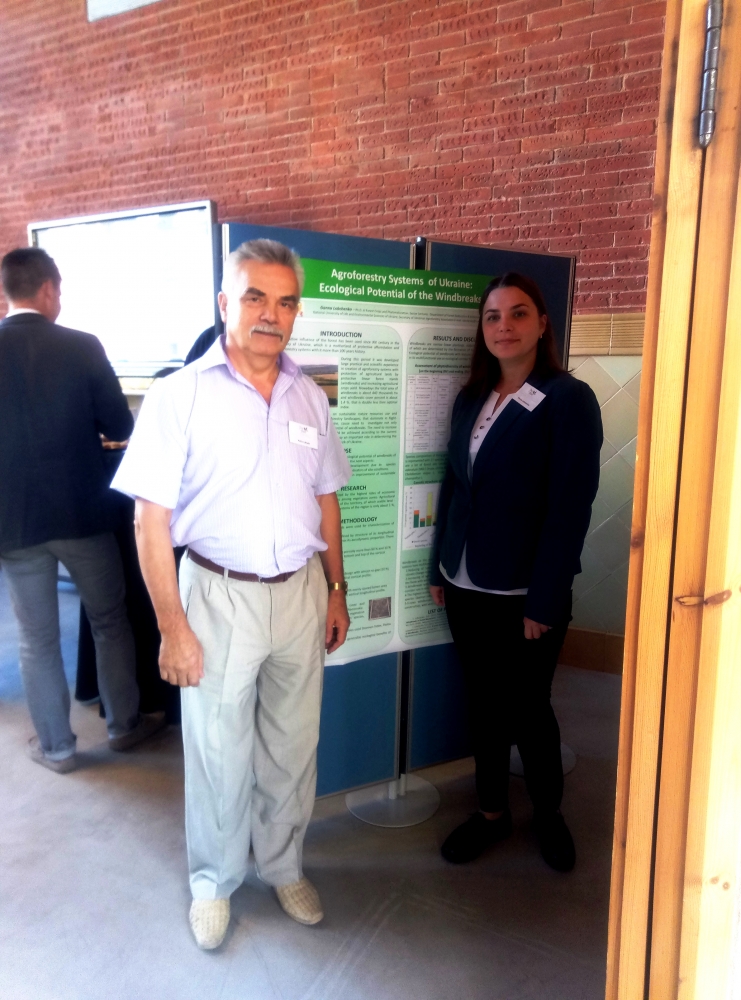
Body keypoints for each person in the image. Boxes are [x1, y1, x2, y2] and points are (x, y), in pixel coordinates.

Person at [112, 239, 352, 950]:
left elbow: (326, 499)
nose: (270, 314)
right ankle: (214, 882)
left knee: (292, 744)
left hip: (300, 594)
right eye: (254, 297)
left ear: (296, 312)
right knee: (218, 751)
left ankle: (282, 866)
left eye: (285, 302)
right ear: (225, 303)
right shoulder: (179, 395)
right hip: (217, 595)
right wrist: (173, 627)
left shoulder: (309, 395)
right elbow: (149, 520)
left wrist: (336, 590)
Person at [429, 272, 602, 872]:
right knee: (484, 705)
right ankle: (491, 813)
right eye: (493, 316)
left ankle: (548, 813)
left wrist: (545, 599)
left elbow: (569, 507)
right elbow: (454, 485)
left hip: (526, 593)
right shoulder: (472, 397)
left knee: (529, 709)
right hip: (465, 583)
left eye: (518, 313)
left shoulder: (567, 398)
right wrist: (439, 566)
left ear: (542, 323)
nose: (504, 326)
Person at [0, 247, 166, 774]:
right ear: (48, 289)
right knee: (109, 621)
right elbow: (120, 427)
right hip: (83, 514)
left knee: (36, 639)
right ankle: (124, 726)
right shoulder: (82, 345)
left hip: (13, 523)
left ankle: (57, 749)